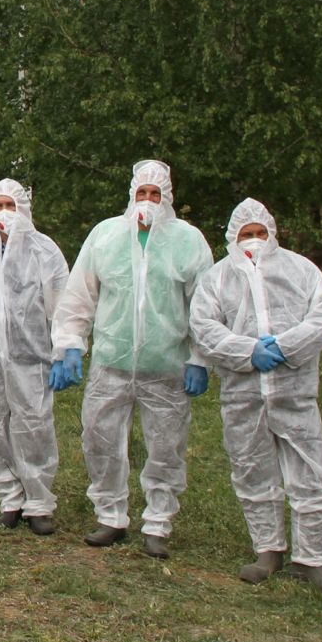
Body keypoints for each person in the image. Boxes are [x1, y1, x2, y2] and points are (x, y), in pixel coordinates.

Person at [51, 160, 214, 556]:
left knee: (166, 445)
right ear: (131, 195)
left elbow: (206, 305)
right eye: (141, 193)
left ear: (167, 198)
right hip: (112, 361)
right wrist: (71, 343)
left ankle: (158, 522)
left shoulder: (188, 241)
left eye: (155, 194)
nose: (147, 201)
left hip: (166, 366)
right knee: (100, 439)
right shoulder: (106, 236)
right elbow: (79, 295)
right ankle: (110, 516)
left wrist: (200, 357)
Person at [190, 199, 322, 592]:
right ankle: (268, 550)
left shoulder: (301, 270)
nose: (253, 241)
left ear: (272, 234)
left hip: (295, 391)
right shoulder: (217, 278)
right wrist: (247, 351)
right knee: (252, 469)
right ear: (232, 239)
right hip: (243, 394)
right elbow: (204, 327)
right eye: (245, 235)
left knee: (309, 470)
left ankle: (312, 558)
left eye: (259, 233)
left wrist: (287, 346)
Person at [0, 179, 69, 535]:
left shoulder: (44, 250)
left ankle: (39, 502)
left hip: (31, 357)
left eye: (11, 206)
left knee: (34, 425)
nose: (4, 213)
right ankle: (9, 498)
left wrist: (64, 350)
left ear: (24, 210)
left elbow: (62, 306)